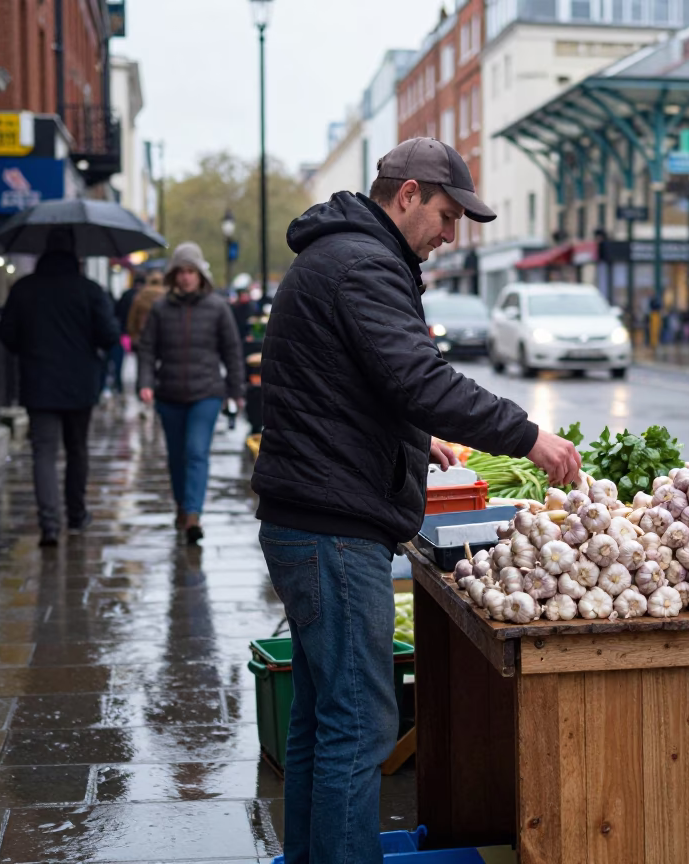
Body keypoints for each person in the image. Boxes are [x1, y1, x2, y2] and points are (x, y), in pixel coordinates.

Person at [252, 137, 581, 864]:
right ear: (406, 195)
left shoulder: (342, 254)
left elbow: (358, 382)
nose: (449, 234)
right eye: (445, 213)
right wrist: (530, 437)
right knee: (361, 727)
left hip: (310, 515)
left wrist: (410, 435)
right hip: (332, 528)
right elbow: (418, 379)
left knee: (321, 720)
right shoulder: (364, 264)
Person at [0, 228, 120, 547]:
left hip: (39, 382)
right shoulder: (89, 290)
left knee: (44, 453)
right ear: (74, 254)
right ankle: (76, 515)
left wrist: (30, 346)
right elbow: (109, 336)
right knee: (77, 450)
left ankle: (49, 525)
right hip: (80, 384)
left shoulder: (24, 289)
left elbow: (7, 334)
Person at [137, 243, 244, 544]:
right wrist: (145, 382)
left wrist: (236, 391)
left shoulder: (217, 307)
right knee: (176, 456)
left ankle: (193, 514)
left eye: (191, 272)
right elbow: (147, 350)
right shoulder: (160, 309)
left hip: (206, 393)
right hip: (168, 394)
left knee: (196, 452)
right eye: (181, 272)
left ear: (200, 275)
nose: (186, 277)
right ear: (173, 276)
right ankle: (182, 506)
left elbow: (232, 351)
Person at [126, 270, 166, 350]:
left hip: (143, 333)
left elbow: (132, 318)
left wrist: (133, 335)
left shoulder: (140, 296)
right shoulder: (166, 295)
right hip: (164, 335)